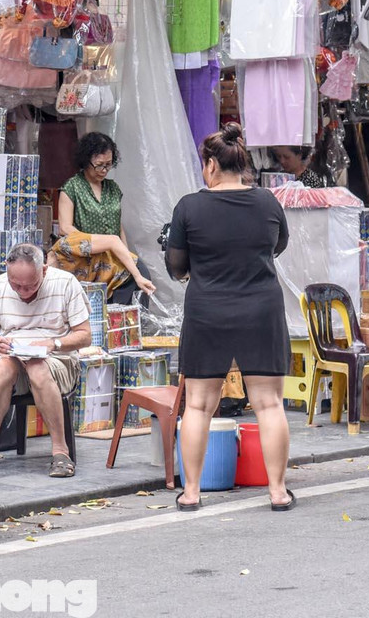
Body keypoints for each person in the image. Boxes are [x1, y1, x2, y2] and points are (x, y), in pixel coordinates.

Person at [165, 123, 295, 512]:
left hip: (208, 310)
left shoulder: (189, 207)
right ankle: (277, 491)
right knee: (269, 404)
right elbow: (278, 245)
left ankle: (191, 492)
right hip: (261, 309)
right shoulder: (268, 202)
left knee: (198, 405)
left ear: (210, 165)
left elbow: (176, 266)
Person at [0, 244, 92, 479]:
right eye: (16, 285)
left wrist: (53, 344)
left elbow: (85, 336)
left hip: (58, 359)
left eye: (31, 285)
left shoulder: (65, 283)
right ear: (6, 270)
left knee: (37, 368)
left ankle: (61, 452)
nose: (23, 292)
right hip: (14, 357)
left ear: (44, 270)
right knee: (3, 367)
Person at [48, 132, 156, 297]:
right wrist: (97, 243)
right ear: (86, 161)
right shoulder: (72, 188)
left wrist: (125, 253)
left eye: (108, 164)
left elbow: (118, 226)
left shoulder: (113, 189)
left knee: (137, 278)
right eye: (99, 165)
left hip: (114, 255)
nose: (104, 170)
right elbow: (65, 228)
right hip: (86, 258)